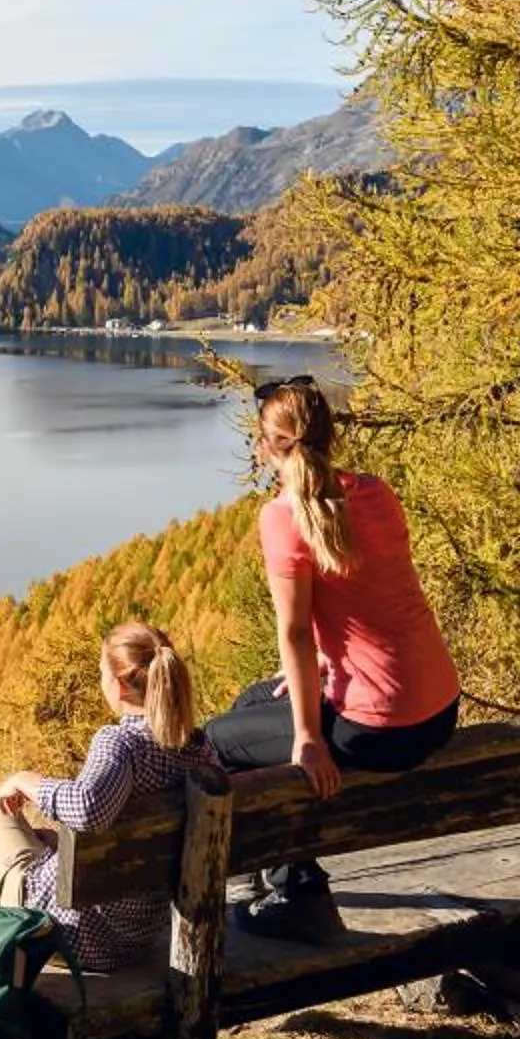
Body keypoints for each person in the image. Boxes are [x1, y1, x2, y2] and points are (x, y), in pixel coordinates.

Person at [206, 375, 462, 941]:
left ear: (269, 445)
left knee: (216, 743)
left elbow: (294, 632)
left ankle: (299, 894)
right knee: (253, 700)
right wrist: (329, 662)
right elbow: (373, 597)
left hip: (380, 729)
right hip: (441, 707)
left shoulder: (282, 517)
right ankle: (279, 874)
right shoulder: (375, 492)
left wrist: (307, 737)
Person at [0, 620, 225, 972]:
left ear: (123, 686)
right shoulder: (199, 750)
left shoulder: (122, 744)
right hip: (142, 936)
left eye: (102, 674)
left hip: (69, 932)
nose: (100, 683)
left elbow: (87, 809)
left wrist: (25, 780)